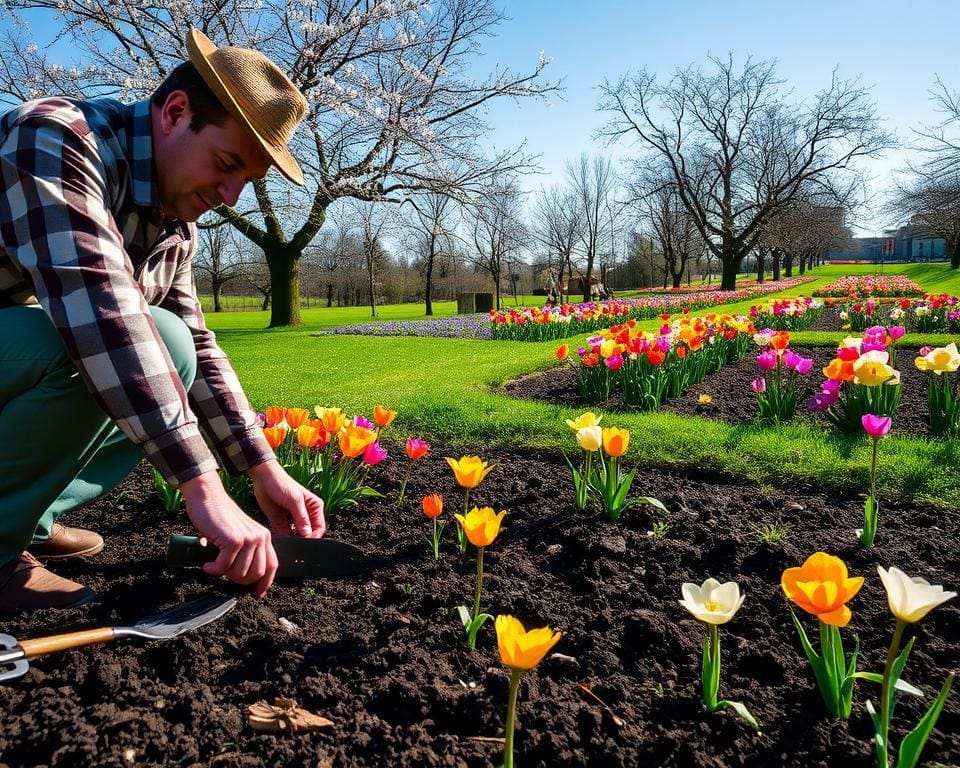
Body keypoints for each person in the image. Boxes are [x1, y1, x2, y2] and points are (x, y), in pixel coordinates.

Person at [0, 29, 325, 613]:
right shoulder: (55, 138)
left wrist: (260, 466)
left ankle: (27, 515)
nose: (230, 195)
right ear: (175, 112)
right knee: (107, 346)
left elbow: (195, 347)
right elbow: (96, 309)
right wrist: (202, 487)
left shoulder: (172, 225)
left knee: (170, 346)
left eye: (246, 182)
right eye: (226, 164)